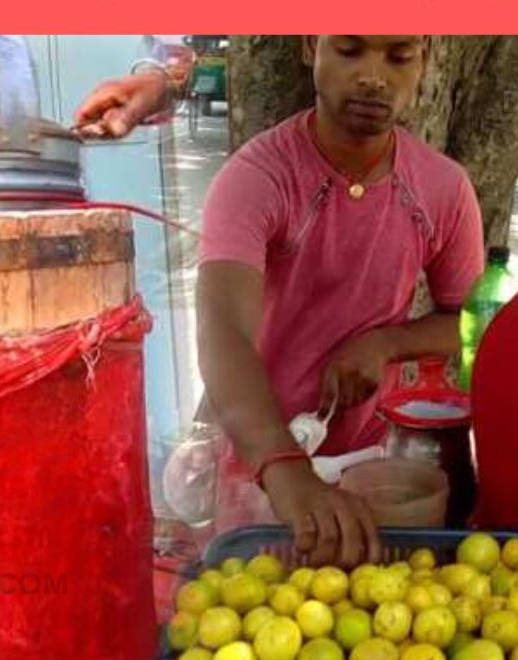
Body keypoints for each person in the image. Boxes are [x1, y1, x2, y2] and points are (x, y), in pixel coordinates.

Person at [196, 35, 485, 566]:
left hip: (375, 467)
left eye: (399, 56)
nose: (374, 76)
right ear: (311, 46)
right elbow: (222, 330)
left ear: (425, 58)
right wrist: (285, 467)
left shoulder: (443, 189)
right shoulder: (258, 177)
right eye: (351, 50)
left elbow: (470, 322)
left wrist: (390, 342)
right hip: (262, 468)